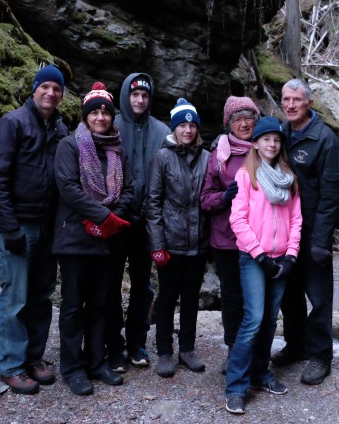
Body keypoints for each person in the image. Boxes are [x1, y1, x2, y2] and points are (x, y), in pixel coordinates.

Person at [0, 64, 68, 395]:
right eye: (45, 86)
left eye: (57, 89)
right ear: (34, 90)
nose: (50, 93)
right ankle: (11, 366)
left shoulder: (60, 130)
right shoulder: (13, 123)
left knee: (41, 296)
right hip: (18, 225)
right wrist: (9, 227)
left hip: (48, 228)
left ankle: (34, 358)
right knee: (15, 297)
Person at [52, 82, 134, 396]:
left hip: (108, 240)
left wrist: (115, 219)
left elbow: (127, 189)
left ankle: (96, 361)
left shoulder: (118, 148)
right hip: (75, 237)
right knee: (74, 305)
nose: (100, 117)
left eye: (105, 112)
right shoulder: (70, 146)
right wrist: (102, 216)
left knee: (102, 302)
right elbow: (68, 188)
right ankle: (73, 368)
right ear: (86, 115)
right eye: (95, 112)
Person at [224, 116, 302, 415]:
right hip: (253, 259)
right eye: (266, 138)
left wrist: (292, 255)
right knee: (253, 319)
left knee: (270, 320)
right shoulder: (246, 176)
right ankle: (236, 387)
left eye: (276, 139)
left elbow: (296, 220)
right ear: (255, 143)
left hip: (282, 258)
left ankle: (261, 372)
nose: (272, 143)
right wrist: (259, 256)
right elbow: (238, 220)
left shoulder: (288, 177)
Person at [273, 78, 339, 386]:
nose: (290, 105)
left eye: (296, 100)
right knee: (289, 294)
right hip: (285, 230)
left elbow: (333, 195)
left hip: (313, 231)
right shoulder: (280, 134)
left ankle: (320, 355)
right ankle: (296, 344)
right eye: (286, 99)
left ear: (309, 104)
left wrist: (321, 241)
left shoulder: (326, 140)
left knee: (317, 296)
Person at [106, 73, 170, 372]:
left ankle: (137, 342)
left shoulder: (162, 131)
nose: (140, 100)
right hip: (116, 219)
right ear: (126, 96)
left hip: (147, 223)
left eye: (145, 95)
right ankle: (113, 345)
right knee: (110, 284)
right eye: (135, 95)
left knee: (143, 286)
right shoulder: (111, 125)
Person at [144, 98, 210, 378]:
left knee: (192, 298)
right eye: (182, 124)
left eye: (192, 124)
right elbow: (153, 203)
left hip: (198, 244)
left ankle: (187, 350)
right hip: (170, 243)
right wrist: (157, 245)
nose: (187, 129)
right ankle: (164, 353)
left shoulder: (206, 157)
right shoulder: (162, 157)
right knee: (168, 297)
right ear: (174, 128)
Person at [200, 96, 261, 374]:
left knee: (256, 297)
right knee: (233, 297)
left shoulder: (267, 148)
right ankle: (233, 350)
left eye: (249, 117)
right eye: (238, 119)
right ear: (229, 124)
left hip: (260, 239)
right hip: (227, 240)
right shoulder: (219, 154)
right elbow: (206, 199)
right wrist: (225, 197)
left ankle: (257, 352)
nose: (244, 123)